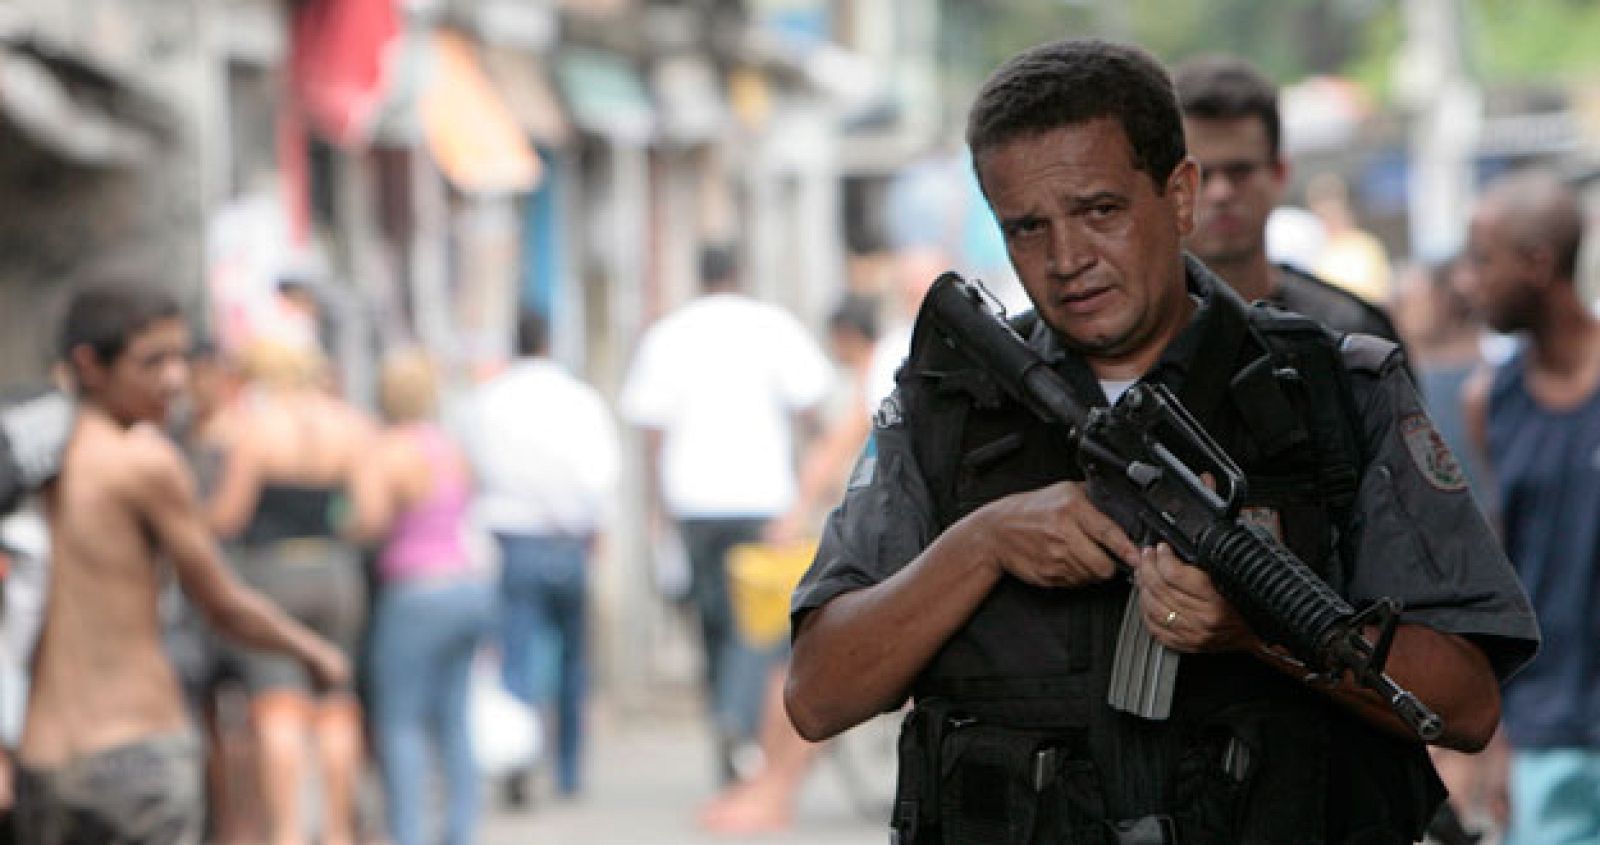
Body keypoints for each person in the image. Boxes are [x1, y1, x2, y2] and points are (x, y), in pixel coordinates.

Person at [786, 38, 1538, 843]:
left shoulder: (1334, 394)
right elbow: (818, 695)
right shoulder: (950, 408)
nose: (1067, 259)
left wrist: (1256, 630)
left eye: (1100, 211)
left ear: (1180, 197)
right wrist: (983, 544)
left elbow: (1465, 703)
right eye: (1027, 228)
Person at [16, 281, 349, 845]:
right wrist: (312, 651)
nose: (175, 379)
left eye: (180, 358)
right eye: (153, 362)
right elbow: (221, 602)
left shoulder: (32, 461)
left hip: (43, 759)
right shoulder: (144, 460)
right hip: (135, 751)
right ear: (89, 365)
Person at [620, 243, 832, 786]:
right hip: (761, 499)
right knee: (755, 626)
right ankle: (736, 724)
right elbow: (813, 405)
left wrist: (657, 508)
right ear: (740, 271)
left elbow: (651, 432)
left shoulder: (667, 335)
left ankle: (729, 722)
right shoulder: (772, 326)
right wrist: (810, 486)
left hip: (693, 503)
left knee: (712, 620)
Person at [698, 292, 883, 834]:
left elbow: (837, 446)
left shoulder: (881, 372)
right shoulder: (882, 371)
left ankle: (774, 791)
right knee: (799, 661)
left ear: (845, 338)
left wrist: (794, 513)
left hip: (874, 547)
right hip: (865, 540)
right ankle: (767, 783)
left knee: (820, 664)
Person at [1460, 168, 1600, 845]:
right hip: (1544, 732)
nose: (1468, 281)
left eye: (1483, 260)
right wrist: (1495, 739)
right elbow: (1501, 575)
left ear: (1539, 265)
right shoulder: (1490, 400)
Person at [207, 340, 375, 845]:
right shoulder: (351, 426)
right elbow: (369, 515)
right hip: (335, 571)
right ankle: (339, 831)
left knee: (279, 702)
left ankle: (288, 832)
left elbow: (229, 515)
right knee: (336, 701)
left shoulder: (255, 429)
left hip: (273, 572)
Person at [468, 312, 619, 802]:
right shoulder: (578, 399)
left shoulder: (489, 400)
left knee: (514, 656)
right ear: (549, 342)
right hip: (568, 539)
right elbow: (600, 474)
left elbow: (475, 468)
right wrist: (597, 527)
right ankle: (568, 770)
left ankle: (517, 759)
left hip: (512, 538)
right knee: (574, 660)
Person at [352, 350, 495, 845]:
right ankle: (460, 830)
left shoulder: (387, 452)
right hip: (467, 586)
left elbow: (369, 521)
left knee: (402, 721)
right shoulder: (450, 448)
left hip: (416, 592)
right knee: (454, 718)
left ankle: (408, 833)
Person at [1174, 54, 1406, 347]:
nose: (1221, 193)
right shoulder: (1134, 340)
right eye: (1202, 175)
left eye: (1240, 171)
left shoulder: (1352, 334)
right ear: (1173, 186)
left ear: (1279, 174)